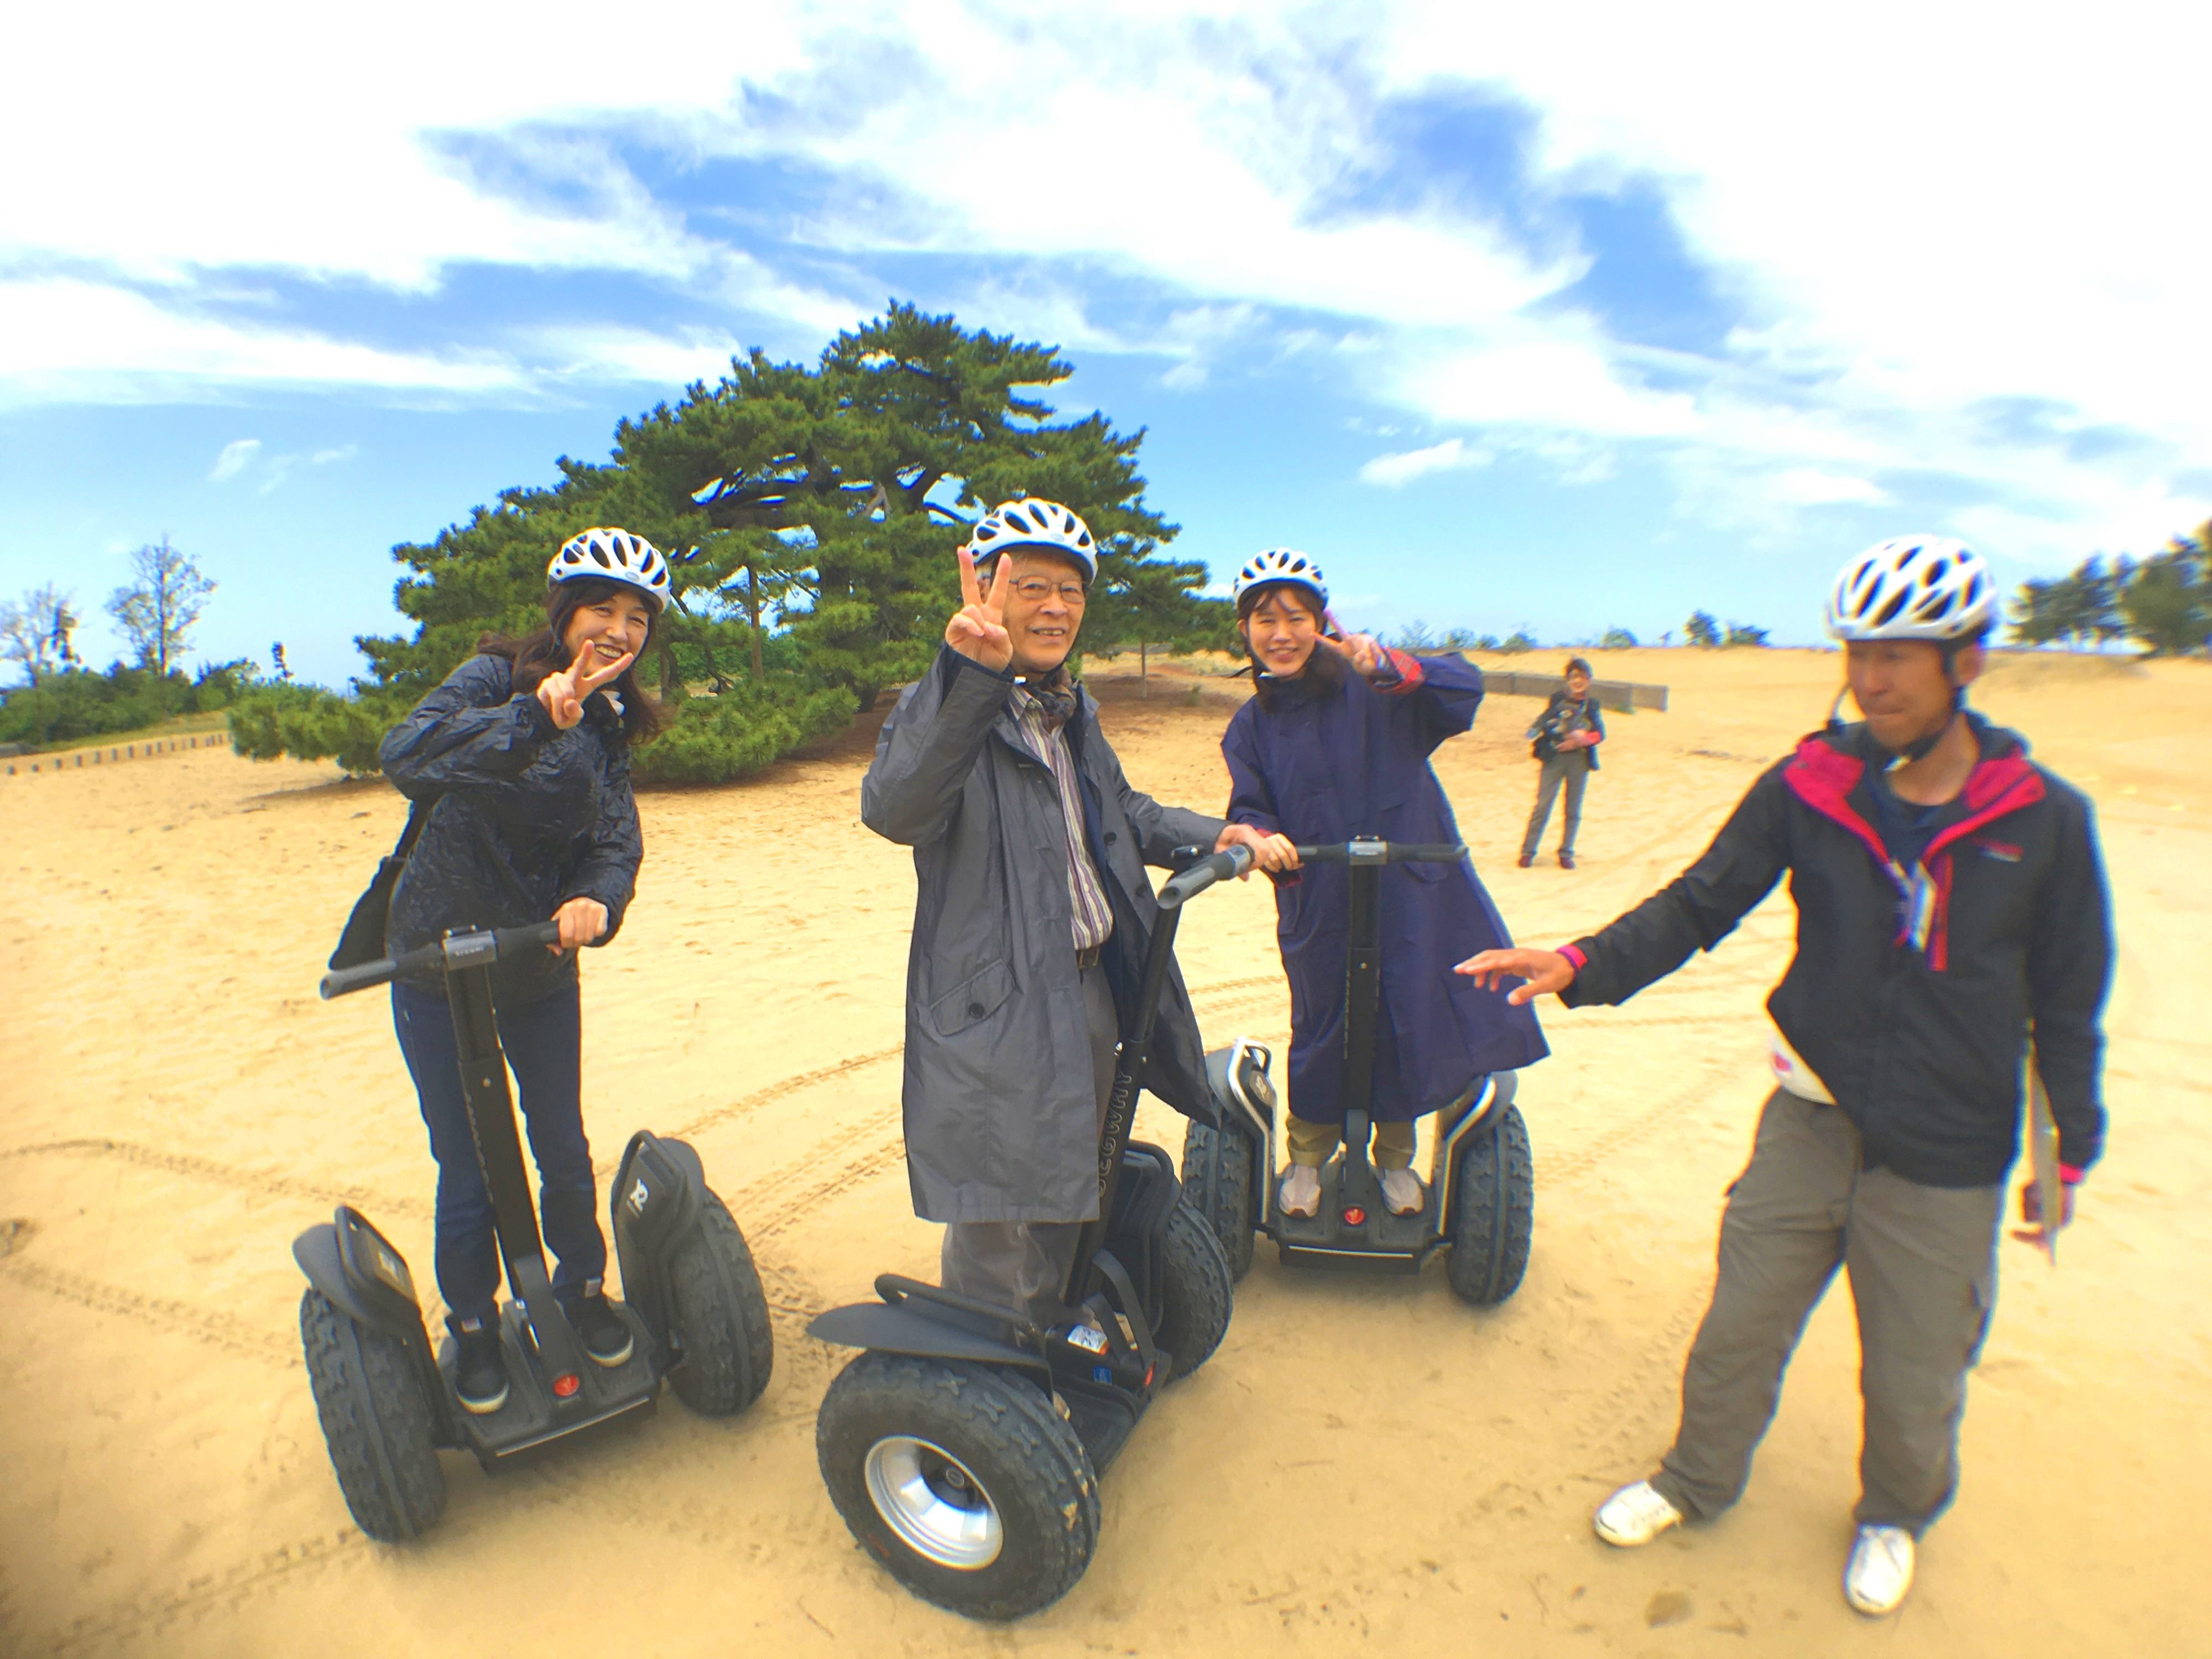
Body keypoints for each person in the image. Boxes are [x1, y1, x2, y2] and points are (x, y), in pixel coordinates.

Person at [1457, 536, 2111, 1618]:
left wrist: (2066, 1151)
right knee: (1736, 1330)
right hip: (1807, 1125)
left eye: (1903, 654)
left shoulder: (2040, 819)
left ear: (1969, 662)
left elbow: (2069, 1003)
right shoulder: (1812, 784)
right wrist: (1577, 964)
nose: (1873, 678)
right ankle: (1693, 1482)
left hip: (1946, 1155)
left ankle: (1893, 1513)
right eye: (1859, 651)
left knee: (1913, 1375)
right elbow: (1698, 902)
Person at [860, 500, 1283, 1331]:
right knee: (998, 1191)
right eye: (1034, 587)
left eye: (1072, 593)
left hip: (1090, 988)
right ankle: (991, 1369)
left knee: (1072, 1171)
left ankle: (1050, 1323)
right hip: (997, 997)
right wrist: (968, 677)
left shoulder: (1068, 708)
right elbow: (897, 809)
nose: (1056, 608)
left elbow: (1122, 808)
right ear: (988, 589)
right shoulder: (941, 700)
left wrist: (1218, 835)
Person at [378, 526, 671, 1415]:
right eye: (603, 610)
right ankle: (472, 1324)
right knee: (465, 1158)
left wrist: (596, 902)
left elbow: (614, 841)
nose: (619, 631)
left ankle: (582, 1288)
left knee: (561, 1144)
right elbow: (407, 756)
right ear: (565, 612)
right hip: (439, 965)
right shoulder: (493, 678)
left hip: (537, 965)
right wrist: (535, 715)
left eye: (637, 618)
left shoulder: (614, 725)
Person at [1219, 549, 1547, 1220]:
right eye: (1263, 620)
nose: (1279, 634)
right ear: (1245, 630)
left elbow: (1462, 693)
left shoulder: (1374, 688)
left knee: (1404, 1016)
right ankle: (1308, 1158)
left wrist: (1393, 666)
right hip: (1317, 895)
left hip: (1407, 889)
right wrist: (1256, 835)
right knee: (1320, 1021)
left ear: (1322, 623)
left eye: (1295, 618)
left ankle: (1393, 1159)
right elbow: (1250, 804)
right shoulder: (1251, 725)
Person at [1519, 656, 1605, 869]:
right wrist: (1555, 736)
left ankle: (1566, 853)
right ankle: (1528, 852)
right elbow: (1542, 725)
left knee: (1573, 809)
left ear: (1589, 681)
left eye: (1582, 678)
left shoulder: (1592, 705)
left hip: (1580, 761)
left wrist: (1580, 740)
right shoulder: (1557, 699)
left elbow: (1600, 733)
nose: (1578, 682)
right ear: (1567, 679)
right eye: (1574, 677)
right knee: (1543, 805)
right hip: (1554, 758)